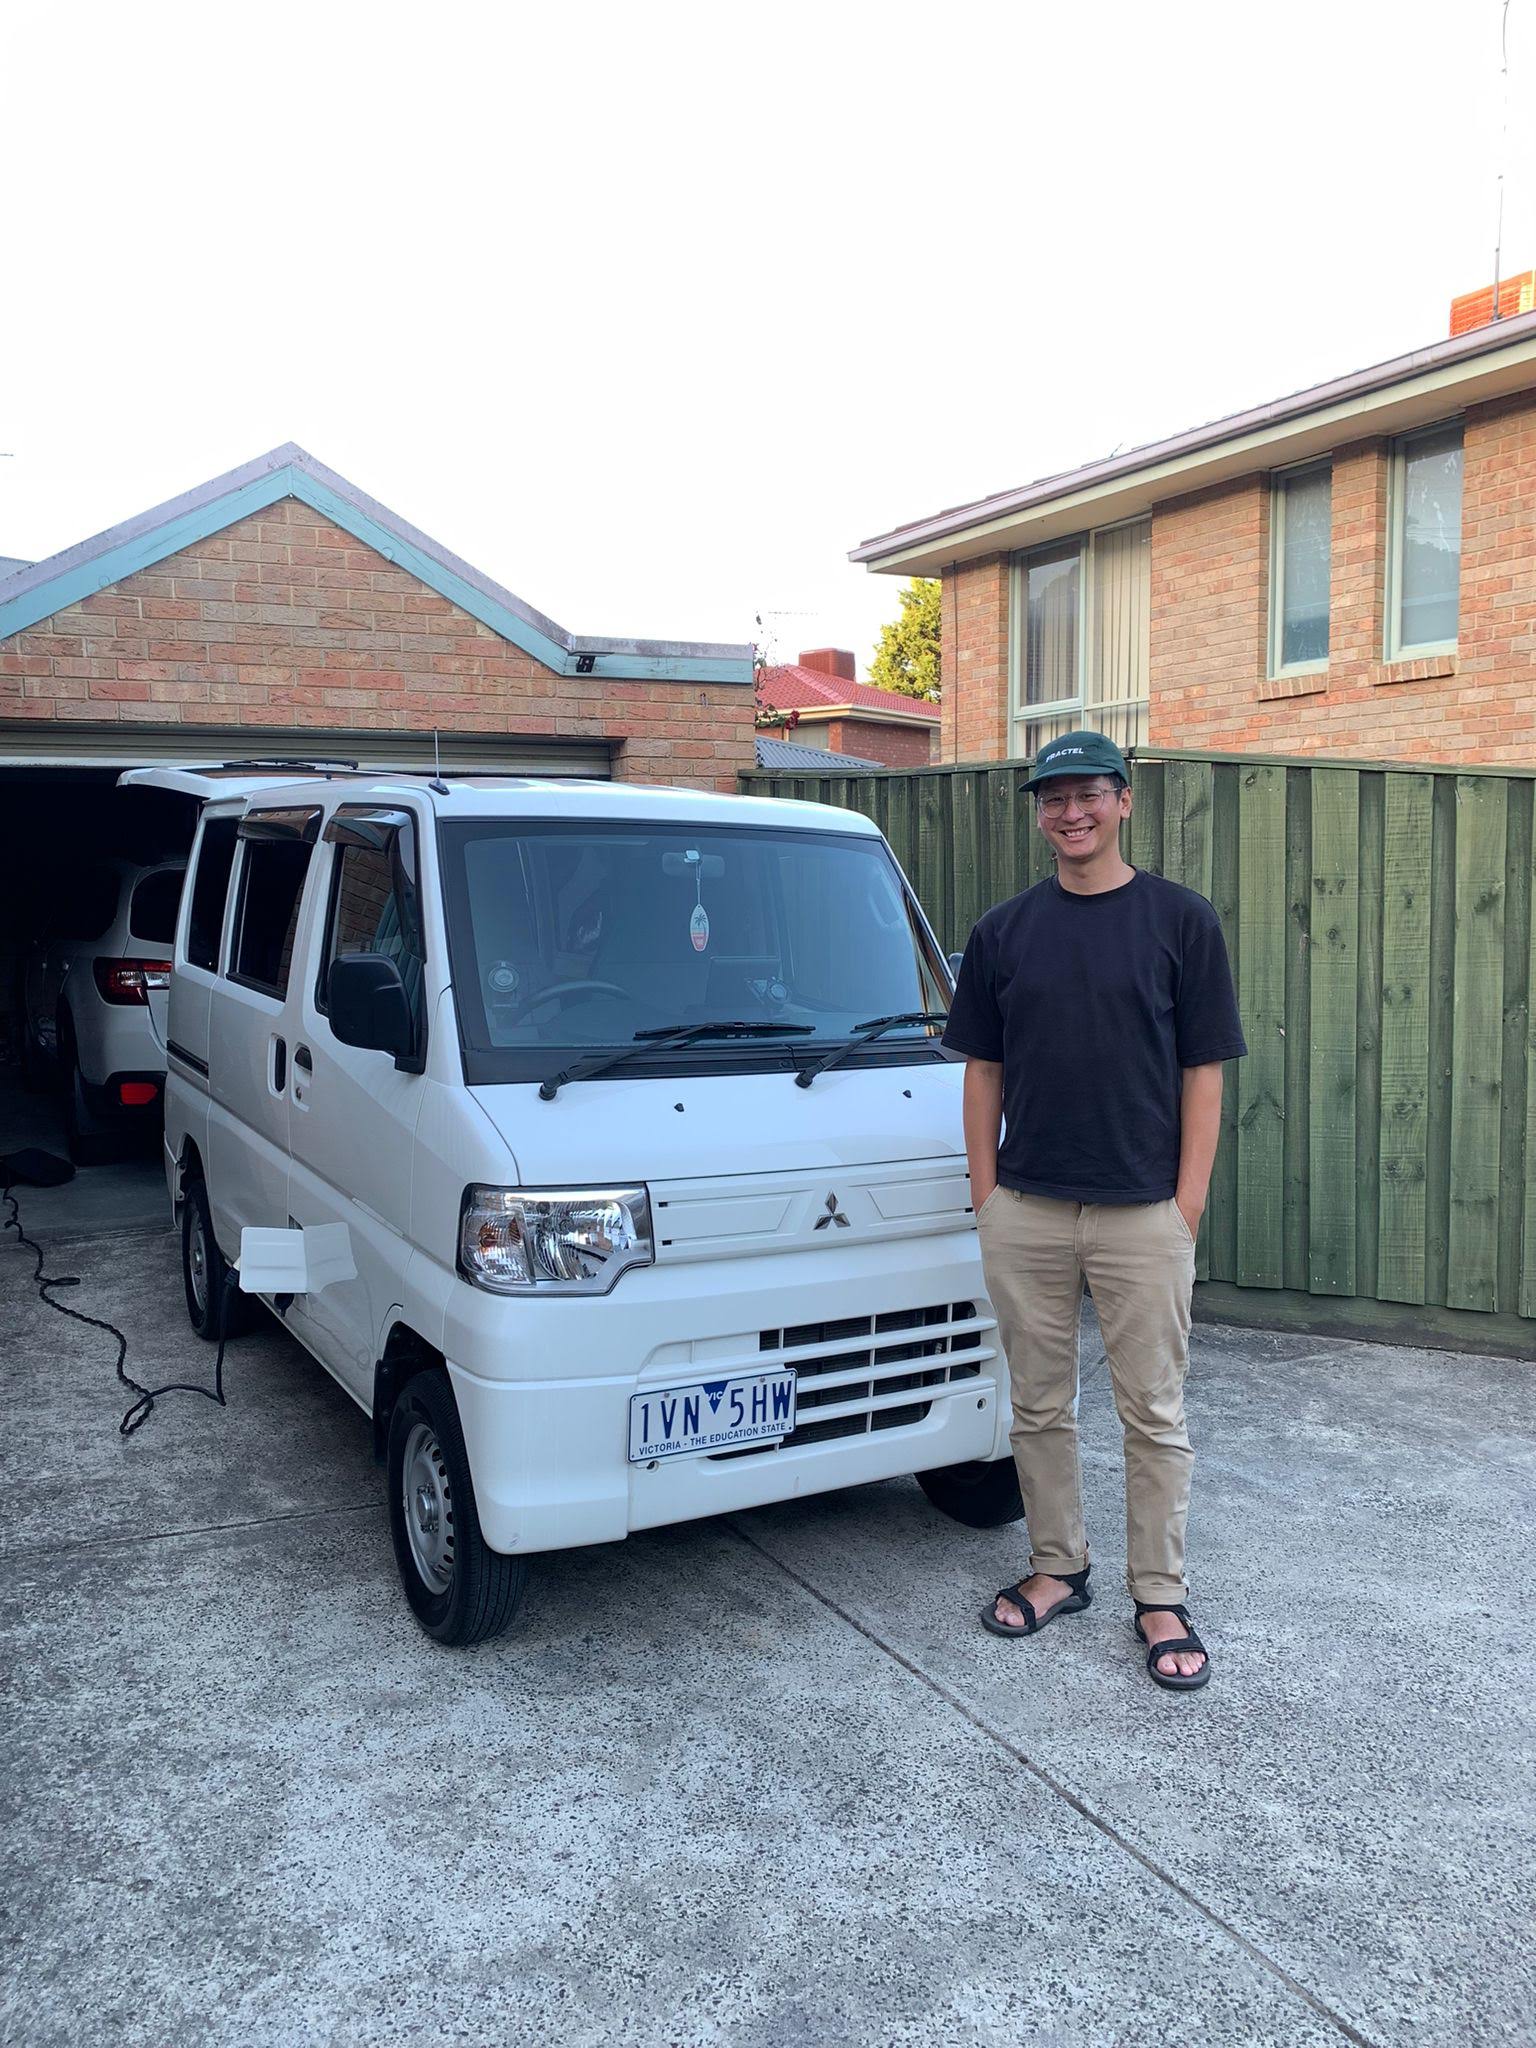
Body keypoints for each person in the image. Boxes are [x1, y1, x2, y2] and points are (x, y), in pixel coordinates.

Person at [942, 731, 1246, 1692]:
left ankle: (1158, 1591)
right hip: (1026, 1207)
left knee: (1153, 1414)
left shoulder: (1180, 921)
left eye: (1086, 795)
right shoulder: (1003, 932)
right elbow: (982, 1070)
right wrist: (985, 1194)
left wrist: (1187, 1201)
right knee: (1037, 1405)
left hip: (1141, 1213)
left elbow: (1205, 1072)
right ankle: (1057, 1566)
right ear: (1038, 813)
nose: (1068, 813)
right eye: (1051, 799)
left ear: (1123, 801)